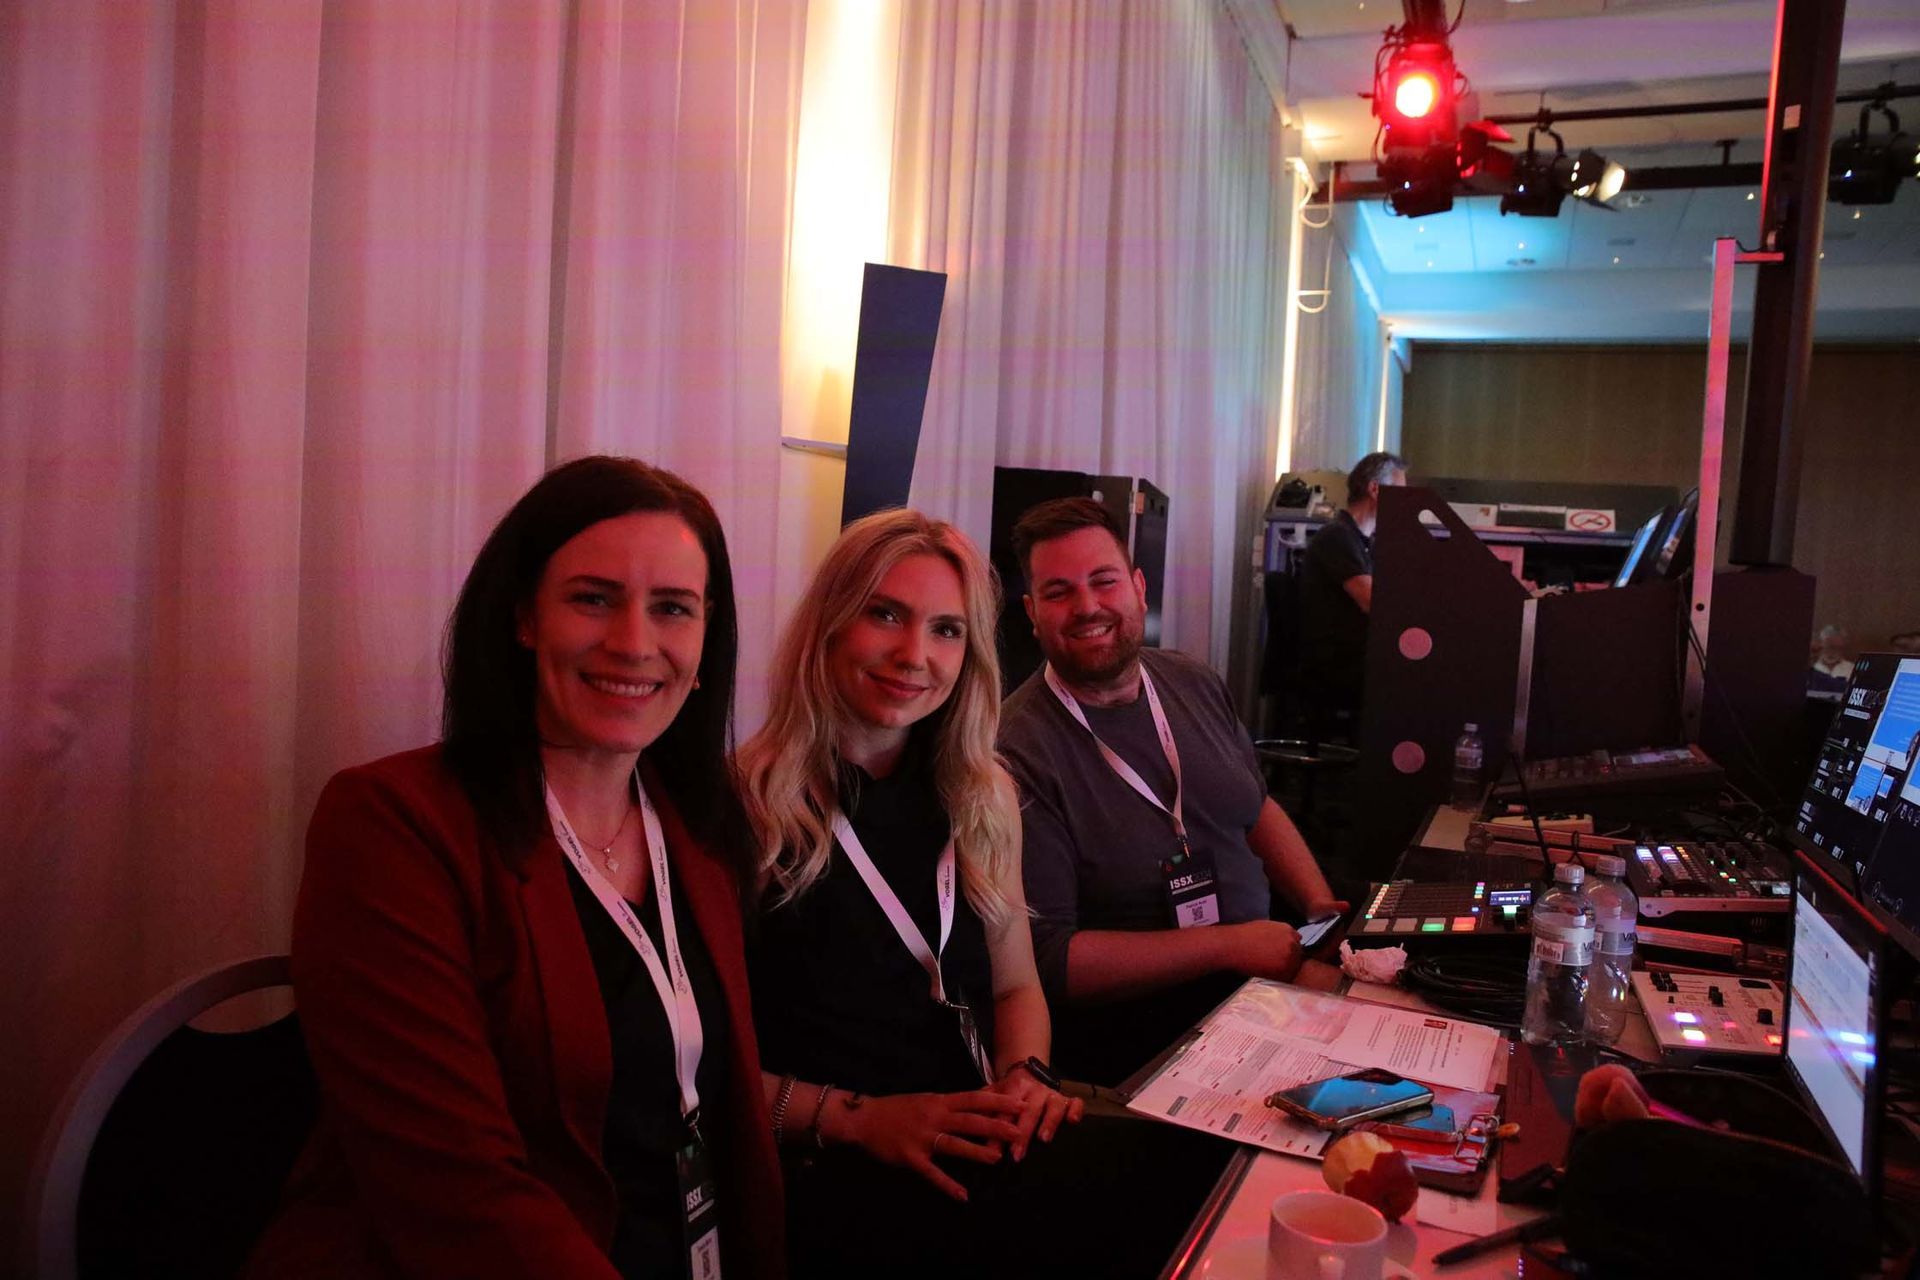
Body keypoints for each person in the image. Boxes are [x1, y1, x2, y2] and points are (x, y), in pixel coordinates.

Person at [248, 457, 783, 1279]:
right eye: (593, 599)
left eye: (672, 608)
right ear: (525, 617)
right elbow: (450, 1188)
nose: (633, 643)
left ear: (706, 637)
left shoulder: (704, 831)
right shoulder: (393, 824)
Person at [738, 509, 1232, 1278]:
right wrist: (860, 1121)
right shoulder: (747, 809)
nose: (914, 655)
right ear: (829, 623)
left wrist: (1026, 1078)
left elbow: (1015, 987)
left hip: (980, 1124)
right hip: (839, 1157)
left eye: (946, 630)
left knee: (1216, 1181)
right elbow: (703, 1064)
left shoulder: (980, 793)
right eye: (885, 615)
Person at [997, 498, 1346, 1086]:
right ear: (1032, 613)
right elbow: (1051, 960)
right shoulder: (1017, 751)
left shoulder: (1192, 680)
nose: (1087, 606)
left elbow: (1255, 807)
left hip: (1260, 985)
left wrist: (1318, 908)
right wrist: (1229, 947)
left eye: (1104, 581)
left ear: (1138, 589)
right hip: (1146, 1036)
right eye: (1059, 592)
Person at [1297, 451, 1408, 732]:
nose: (1405, 503)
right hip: (1336, 663)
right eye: (1400, 492)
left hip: (1350, 656)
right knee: (1418, 675)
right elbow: (1373, 603)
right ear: (1375, 489)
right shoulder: (1338, 537)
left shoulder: (1361, 541)